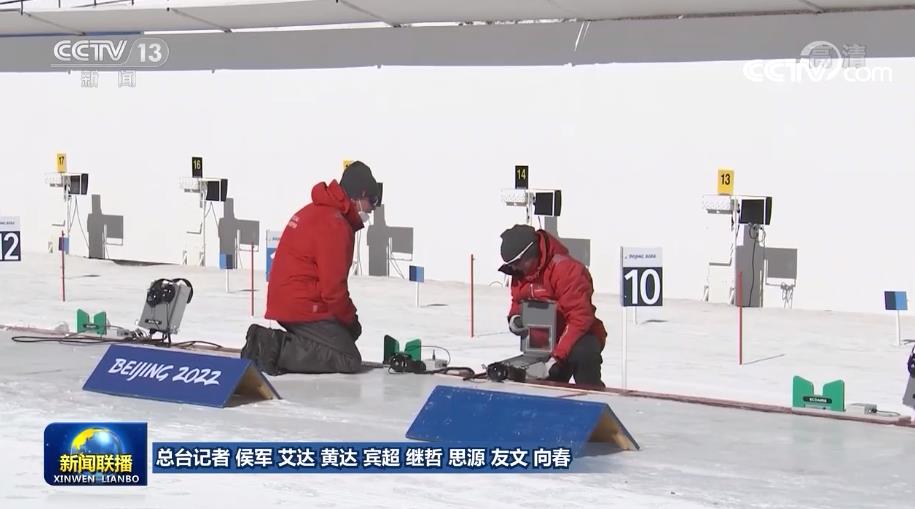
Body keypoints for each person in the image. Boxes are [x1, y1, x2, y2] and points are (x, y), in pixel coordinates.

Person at [241, 161, 380, 375]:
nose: (372, 208)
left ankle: (277, 344)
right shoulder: (336, 225)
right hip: (302, 304)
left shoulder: (316, 211)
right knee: (348, 359)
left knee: (341, 339)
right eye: (373, 200)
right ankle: (273, 347)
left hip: (288, 299)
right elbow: (333, 291)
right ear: (359, 196)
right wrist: (351, 320)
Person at [498, 224, 607, 386]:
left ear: (531, 254)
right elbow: (517, 301)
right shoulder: (520, 272)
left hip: (578, 336)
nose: (514, 268)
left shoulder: (566, 270)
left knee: (583, 354)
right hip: (543, 343)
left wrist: (557, 357)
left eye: (516, 263)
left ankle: (591, 394)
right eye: (511, 264)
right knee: (541, 381)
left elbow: (580, 318)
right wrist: (515, 318)